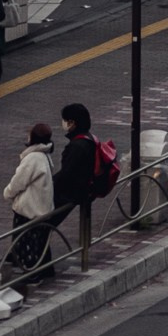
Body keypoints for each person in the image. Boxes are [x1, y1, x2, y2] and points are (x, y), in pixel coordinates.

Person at [0, 121, 54, 290]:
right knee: (38, 241)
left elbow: (19, 182)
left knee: (25, 241)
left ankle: (32, 274)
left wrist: (8, 193)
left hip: (29, 208)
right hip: (43, 208)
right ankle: (44, 269)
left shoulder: (32, 158)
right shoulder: (44, 155)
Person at [50, 102, 109, 250]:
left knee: (41, 222)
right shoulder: (90, 139)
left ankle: (36, 262)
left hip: (72, 193)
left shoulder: (78, 146)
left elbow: (67, 174)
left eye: (65, 120)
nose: (63, 123)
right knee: (44, 225)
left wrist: (49, 185)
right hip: (84, 190)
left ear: (72, 123)